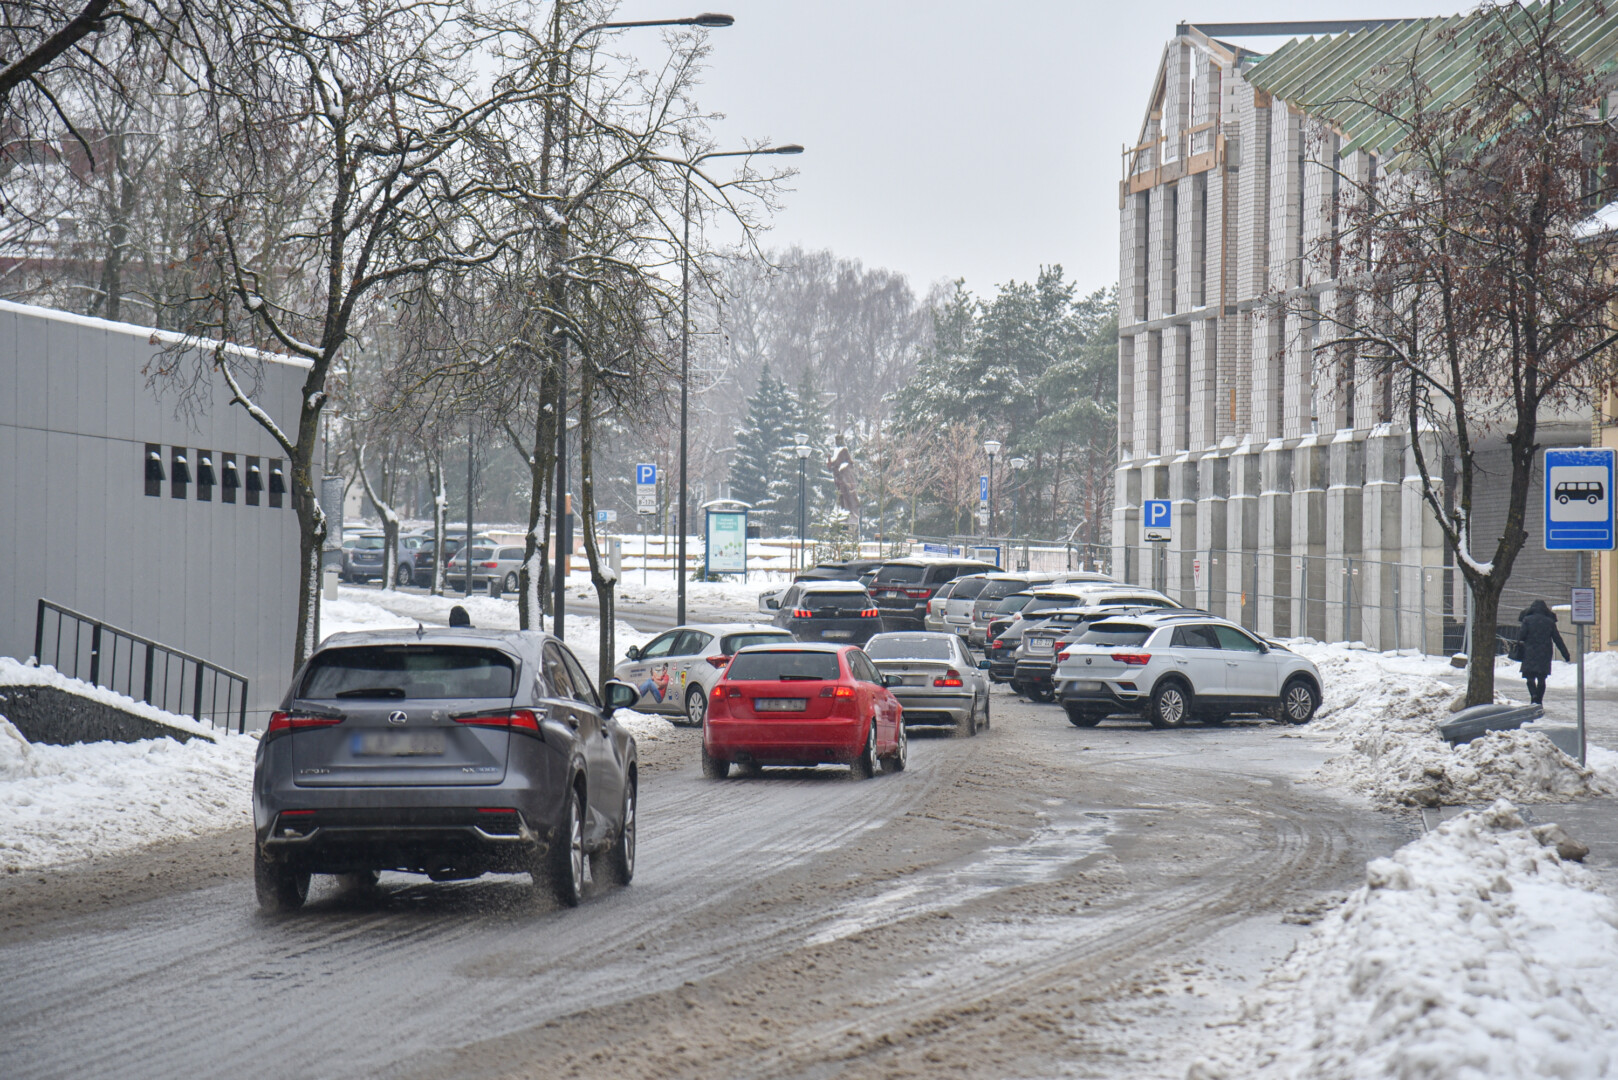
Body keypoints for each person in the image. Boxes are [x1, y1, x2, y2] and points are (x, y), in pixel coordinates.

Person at [1516, 598, 1569, 705]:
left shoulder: (1527, 620)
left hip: (1529, 652)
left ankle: (1533, 696)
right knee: (1542, 679)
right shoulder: (1550, 622)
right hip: (1544, 654)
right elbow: (1557, 639)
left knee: (1530, 678)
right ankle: (1539, 700)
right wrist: (1565, 654)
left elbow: (1521, 636)